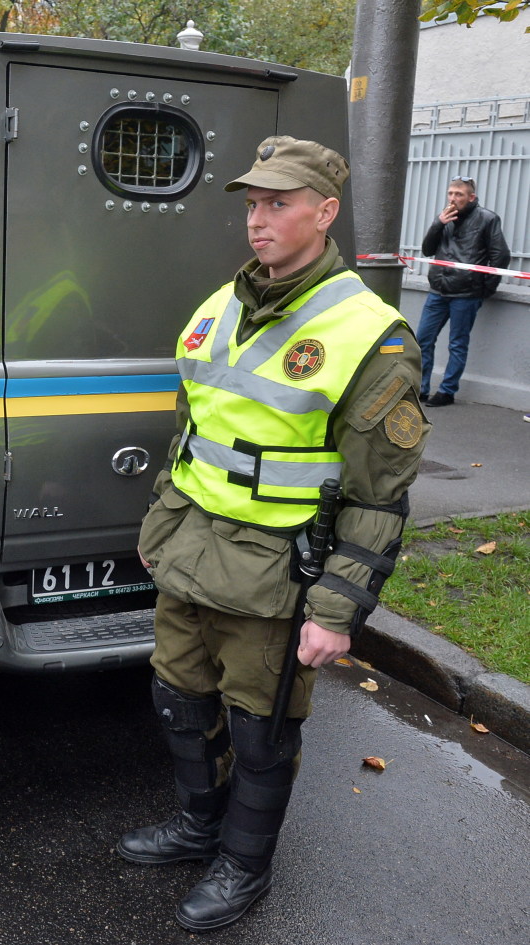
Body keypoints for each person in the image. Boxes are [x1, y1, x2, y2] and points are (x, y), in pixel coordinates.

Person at [122, 136, 429, 931]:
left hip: (273, 572)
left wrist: (335, 611)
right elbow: (195, 427)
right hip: (190, 549)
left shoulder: (371, 332)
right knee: (177, 696)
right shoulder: (225, 301)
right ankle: (198, 829)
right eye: (253, 204)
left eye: (278, 204)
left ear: (324, 213)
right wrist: (161, 517)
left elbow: (380, 495)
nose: (257, 221)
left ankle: (243, 864)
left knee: (261, 725)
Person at [416, 175, 511, 407]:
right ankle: (421, 388)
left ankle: (447, 391)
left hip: (466, 294)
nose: (453, 198)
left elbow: (501, 256)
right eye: (450, 193)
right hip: (438, 290)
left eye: (459, 194)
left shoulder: (487, 219)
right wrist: (438, 223)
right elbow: (427, 249)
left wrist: (483, 288)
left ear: (471, 197)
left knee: (457, 343)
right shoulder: (444, 218)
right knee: (422, 340)